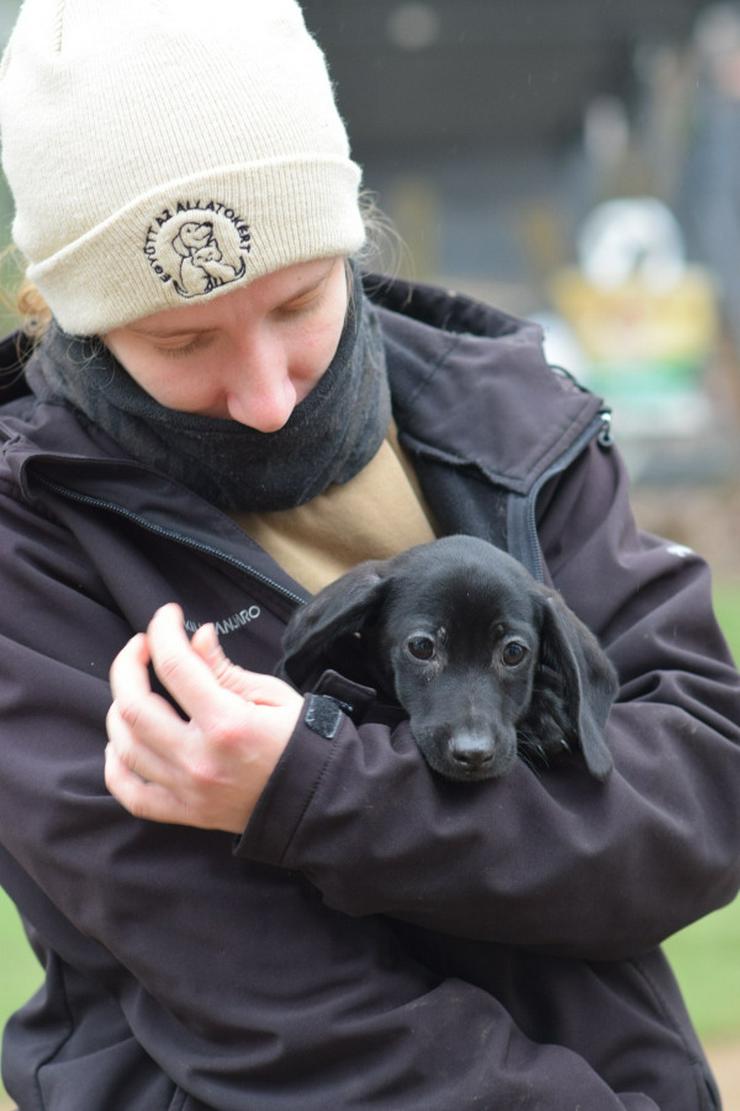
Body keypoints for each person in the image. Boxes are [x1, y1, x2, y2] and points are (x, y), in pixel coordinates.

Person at [0, 3, 738, 1109]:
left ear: (350, 237)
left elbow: (698, 796)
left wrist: (318, 789)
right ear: (69, 316)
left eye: (298, 300)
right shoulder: (29, 535)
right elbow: (261, 1002)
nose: (264, 396)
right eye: (182, 338)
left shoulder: (513, 421)